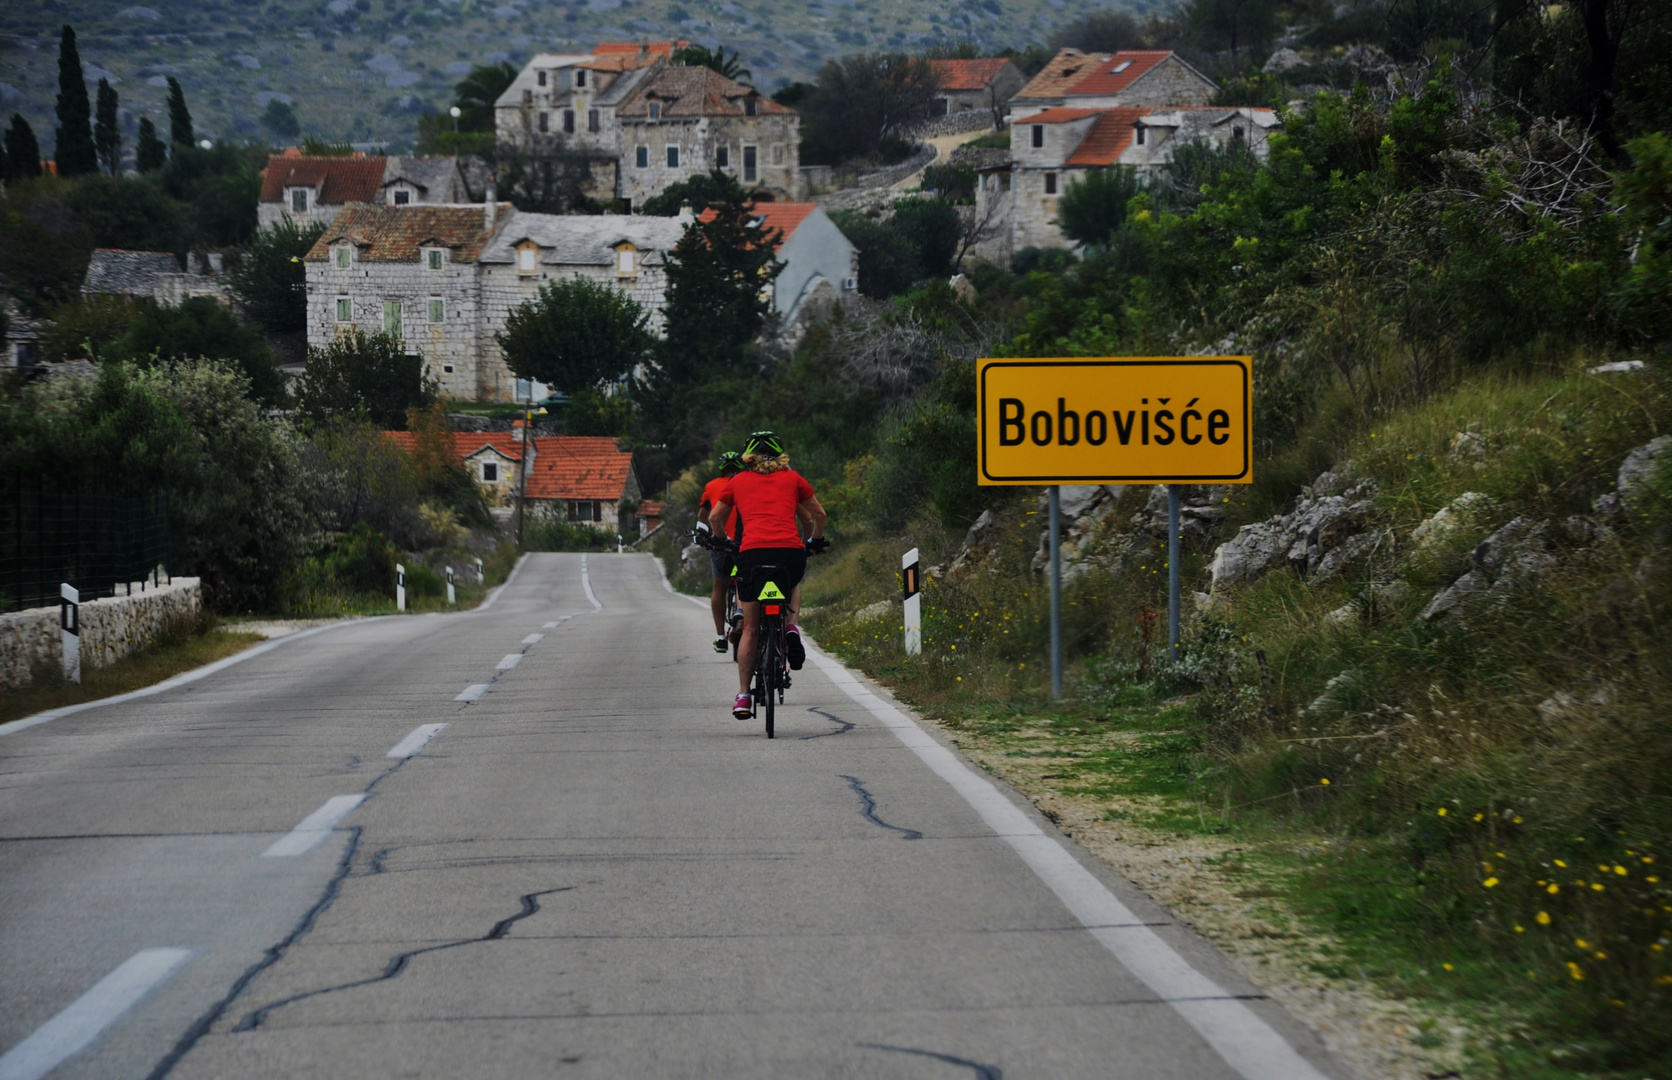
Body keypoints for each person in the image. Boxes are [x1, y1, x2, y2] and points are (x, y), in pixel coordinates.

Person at [707, 431, 828, 719]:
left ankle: (744, 696)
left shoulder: (737, 481)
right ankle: (791, 627)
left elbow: (714, 518)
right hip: (788, 553)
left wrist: (722, 539)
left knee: (749, 628)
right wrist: (815, 540)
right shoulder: (793, 478)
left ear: (747, 457)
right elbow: (818, 515)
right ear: (780, 455)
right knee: (793, 583)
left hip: (753, 555)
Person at [696, 450, 744, 653]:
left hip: (721, 543)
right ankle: (741, 614)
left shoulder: (711, 486)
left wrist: (702, 536)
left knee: (719, 588)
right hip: (744, 543)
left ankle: (720, 636)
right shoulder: (746, 482)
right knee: (744, 581)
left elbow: (702, 516)